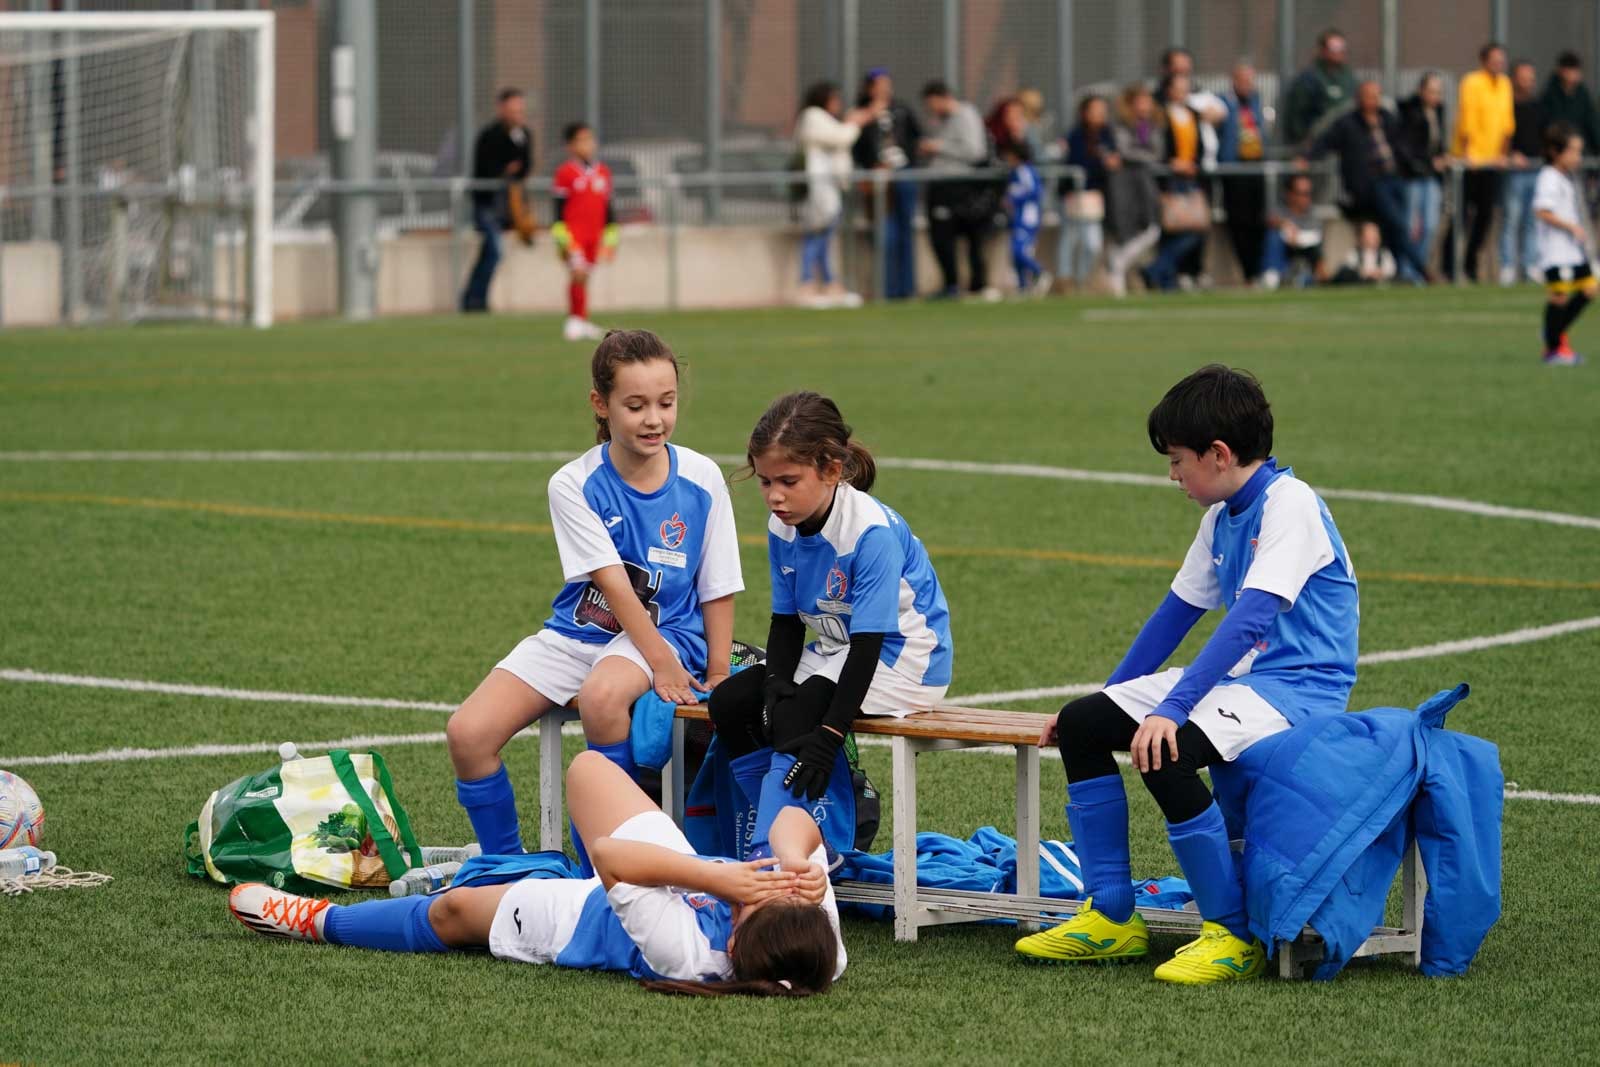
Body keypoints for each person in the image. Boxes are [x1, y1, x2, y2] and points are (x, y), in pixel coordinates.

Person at [1015, 364, 1358, 984]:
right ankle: (1111, 914)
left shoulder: (1293, 504)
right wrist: (1108, 696)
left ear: (1219, 454)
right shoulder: (1220, 517)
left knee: (1164, 747)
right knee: (1084, 724)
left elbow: (1250, 619)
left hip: (1301, 691)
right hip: (1247, 683)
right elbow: (1174, 616)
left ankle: (1230, 932)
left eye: (1177, 460)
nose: (1172, 475)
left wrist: (1171, 709)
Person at [446, 330, 742, 868]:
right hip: (576, 636)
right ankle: (508, 871)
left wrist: (715, 672)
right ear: (600, 405)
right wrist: (659, 665)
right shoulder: (572, 483)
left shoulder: (702, 477)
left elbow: (717, 586)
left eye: (666, 403)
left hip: (668, 636)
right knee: (467, 734)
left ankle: (600, 875)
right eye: (636, 405)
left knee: (603, 699)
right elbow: (611, 583)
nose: (654, 418)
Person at [228, 751, 847, 997]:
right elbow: (796, 820)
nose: (765, 885)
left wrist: (722, 883)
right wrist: (795, 861)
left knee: (451, 917)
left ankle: (317, 922)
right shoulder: (817, 942)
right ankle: (529, 868)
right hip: (675, 877)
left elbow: (609, 855)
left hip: (594, 917)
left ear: (735, 944)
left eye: (757, 900)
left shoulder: (685, 954)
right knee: (588, 770)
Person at [708, 392, 953, 858]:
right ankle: (781, 833)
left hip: (905, 659)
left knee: (807, 710)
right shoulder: (783, 523)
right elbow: (785, 621)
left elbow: (868, 645)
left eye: (788, 480)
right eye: (765, 482)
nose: (775, 495)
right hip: (839, 651)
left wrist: (831, 735)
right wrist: (777, 681)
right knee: (733, 701)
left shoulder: (870, 533)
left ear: (832, 471)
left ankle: (783, 855)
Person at [1306, 80, 1429, 282]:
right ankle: (1422, 269)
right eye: (1368, 96)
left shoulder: (1387, 119)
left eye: (1376, 96)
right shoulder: (1347, 123)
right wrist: (1307, 157)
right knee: (1397, 224)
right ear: (1359, 99)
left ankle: (1402, 272)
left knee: (1398, 227)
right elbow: (1324, 142)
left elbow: (1403, 145)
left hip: (1395, 179)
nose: (1373, 100)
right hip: (1371, 184)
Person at [794, 81, 873, 309]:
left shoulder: (822, 118)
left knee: (825, 237)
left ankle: (829, 283)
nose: (837, 104)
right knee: (815, 235)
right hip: (818, 188)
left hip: (829, 187)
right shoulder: (812, 116)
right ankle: (806, 284)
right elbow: (840, 137)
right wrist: (855, 123)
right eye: (834, 99)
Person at [920, 80, 998, 301]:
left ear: (942, 97)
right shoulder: (942, 121)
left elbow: (975, 151)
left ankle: (977, 284)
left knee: (972, 235)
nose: (930, 109)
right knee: (941, 237)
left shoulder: (966, 115)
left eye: (932, 103)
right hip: (942, 185)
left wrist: (938, 147)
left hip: (958, 187)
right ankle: (951, 285)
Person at [460, 88, 533, 313]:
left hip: (506, 205)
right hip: (487, 204)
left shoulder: (524, 135)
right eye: (512, 110)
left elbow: (524, 168)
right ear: (502, 109)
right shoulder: (489, 135)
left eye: (520, 110)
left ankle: (472, 300)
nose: (517, 114)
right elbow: (487, 168)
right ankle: (475, 301)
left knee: (489, 252)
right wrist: (505, 168)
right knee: (494, 250)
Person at [852, 68, 923, 300]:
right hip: (879, 180)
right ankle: (888, 289)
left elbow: (917, 140)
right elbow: (856, 145)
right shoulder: (862, 114)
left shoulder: (901, 110)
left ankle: (907, 288)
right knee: (885, 234)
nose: (885, 88)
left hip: (903, 175)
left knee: (906, 233)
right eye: (880, 84)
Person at [1452, 43, 1514, 282]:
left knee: (1485, 216)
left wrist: (1501, 154)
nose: (1500, 64)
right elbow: (1467, 118)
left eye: (1502, 59)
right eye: (1495, 59)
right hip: (1471, 162)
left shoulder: (1505, 84)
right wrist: (1468, 153)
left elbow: (1507, 124)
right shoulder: (1472, 82)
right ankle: (1450, 266)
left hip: (1491, 163)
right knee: (1460, 216)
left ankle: (1470, 264)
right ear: (1484, 60)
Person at [1533, 122, 1593, 366]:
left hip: (1572, 252)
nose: (1577, 157)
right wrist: (1571, 227)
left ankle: (1552, 330)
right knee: (1559, 296)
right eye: (1573, 151)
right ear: (1556, 152)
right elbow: (1542, 212)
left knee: (1590, 289)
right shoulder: (1548, 177)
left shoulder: (1564, 178)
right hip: (1555, 252)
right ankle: (1554, 350)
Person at [1141, 73, 1207, 292]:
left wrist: (1193, 163)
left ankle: (1157, 271)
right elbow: (1155, 147)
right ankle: (1163, 277)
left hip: (1190, 179)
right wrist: (1171, 163)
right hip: (1169, 179)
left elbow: (1200, 146)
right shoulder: (1160, 114)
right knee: (1171, 230)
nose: (1183, 92)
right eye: (1179, 88)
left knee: (1195, 231)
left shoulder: (1192, 114)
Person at [551, 123, 617, 342]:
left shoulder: (603, 172)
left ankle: (581, 319)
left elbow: (608, 208)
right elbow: (558, 209)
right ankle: (573, 321)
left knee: (585, 275)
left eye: (589, 139)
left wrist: (610, 237)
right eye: (581, 140)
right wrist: (561, 236)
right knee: (577, 273)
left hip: (594, 234)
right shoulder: (565, 173)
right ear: (570, 146)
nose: (587, 145)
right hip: (573, 234)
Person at [1104, 83, 1164, 297]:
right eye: (1141, 100)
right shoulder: (1120, 125)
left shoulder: (1153, 125)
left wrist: (1141, 155)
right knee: (1126, 227)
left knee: (1152, 228)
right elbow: (1125, 150)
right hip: (1125, 182)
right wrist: (1144, 155)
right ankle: (1118, 280)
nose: (1146, 105)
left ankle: (1119, 261)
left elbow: (1156, 153)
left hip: (1145, 181)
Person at [1059, 94, 1118, 289]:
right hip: (1074, 194)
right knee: (1070, 238)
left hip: (1094, 196)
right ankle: (1065, 280)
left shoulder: (1107, 134)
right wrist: (1100, 161)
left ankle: (1081, 280)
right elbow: (1077, 162)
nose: (1100, 114)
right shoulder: (1076, 135)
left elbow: (1114, 160)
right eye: (1095, 110)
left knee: (1092, 244)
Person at [1219, 61, 1268, 283]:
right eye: (1243, 80)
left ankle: (1257, 270)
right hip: (1234, 168)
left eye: (1251, 80)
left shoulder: (1255, 102)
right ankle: (1248, 271)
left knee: (1258, 220)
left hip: (1255, 166)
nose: (1248, 85)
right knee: (1240, 222)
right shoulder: (1224, 102)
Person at [1396, 72, 1448, 281]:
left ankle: (1420, 267)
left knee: (1430, 224)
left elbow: (1436, 143)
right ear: (1421, 91)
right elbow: (1406, 147)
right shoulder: (1409, 111)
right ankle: (1407, 269)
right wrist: (1428, 163)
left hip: (1432, 176)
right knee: (1410, 224)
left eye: (1438, 92)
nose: (1436, 96)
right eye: (1432, 91)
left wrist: (1443, 157)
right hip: (1413, 176)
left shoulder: (1439, 112)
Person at [1500, 61, 1546, 286]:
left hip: (1535, 169)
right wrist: (1510, 154)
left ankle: (1530, 264)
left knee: (1532, 220)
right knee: (1512, 218)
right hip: (1515, 171)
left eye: (1531, 77)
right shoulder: (1506, 104)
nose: (1529, 81)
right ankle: (1508, 266)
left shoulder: (1538, 106)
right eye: (1524, 76)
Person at [1282, 28, 1357, 149]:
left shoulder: (1349, 77)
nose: (1339, 52)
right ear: (1322, 50)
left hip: (1345, 144)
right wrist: (1302, 141)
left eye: (1341, 48)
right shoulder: (1309, 79)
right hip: (1319, 146)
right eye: (1334, 48)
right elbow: (1296, 116)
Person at [1259, 172, 1326, 289]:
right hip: (1283, 259)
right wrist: (1285, 225)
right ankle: (1271, 276)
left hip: (1303, 260)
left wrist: (1297, 238)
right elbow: (1269, 220)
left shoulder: (1312, 215)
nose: (1307, 198)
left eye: (1309, 193)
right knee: (1273, 236)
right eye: (1302, 193)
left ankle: (1297, 279)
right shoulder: (1280, 210)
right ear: (1290, 194)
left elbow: (1314, 240)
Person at [1001, 140, 1049, 294]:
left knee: (1018, 250)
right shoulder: (1015, 173)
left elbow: (1035, 191)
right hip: (1017, 217)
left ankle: (1039, 272)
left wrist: (1013, 200)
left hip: (1027, 218)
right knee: (1015, 253)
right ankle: (1022, 287)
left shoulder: (1025, 171)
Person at [1539, 51, 1600, 152]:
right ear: (1562, 71)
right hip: (1559, 151)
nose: (1576, 75)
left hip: (1582, 151)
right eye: (1572, 71)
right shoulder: (1549, 95)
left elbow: (1592, 123)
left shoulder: (1583, 95)